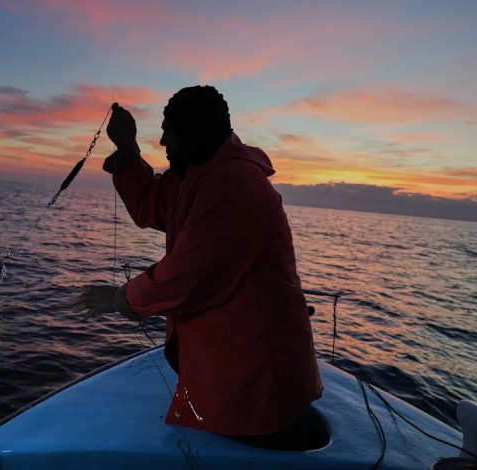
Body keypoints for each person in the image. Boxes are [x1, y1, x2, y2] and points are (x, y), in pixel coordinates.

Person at [71, 85, 322, 448]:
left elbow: (189, 276)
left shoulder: (234, 186)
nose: (161, 142)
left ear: (194, 132)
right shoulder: (197, 176)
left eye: (168, 131)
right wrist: (127, 149)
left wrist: (119, 298)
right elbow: (150, 205)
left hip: (258, 387)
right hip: (230, 373)